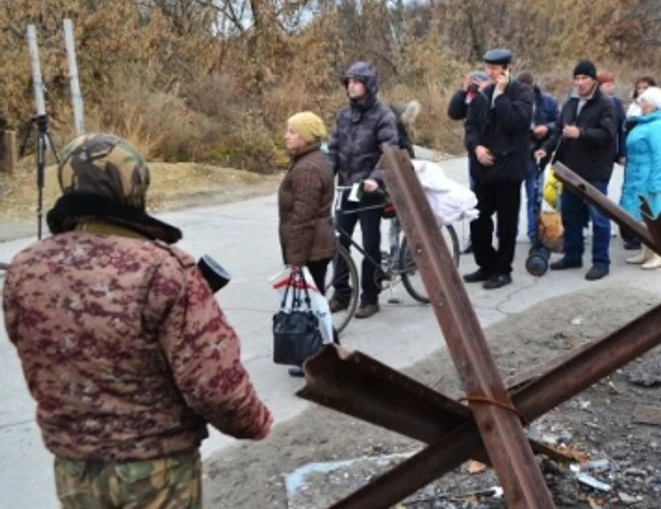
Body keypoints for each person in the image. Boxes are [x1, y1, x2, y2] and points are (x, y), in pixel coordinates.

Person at [3, 133, 273, 509]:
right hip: (155, 471)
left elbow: (32, 352)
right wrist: (254, 422)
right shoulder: (162, 269)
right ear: (135, 184)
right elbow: (213, 380)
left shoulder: (24, 269)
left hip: (75, 470)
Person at [328, 61, 400, 318]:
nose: (351, 86)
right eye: (348, 81)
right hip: (347, 186)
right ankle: (341, 293)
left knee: (370, 241)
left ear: (368, 85)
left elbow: (389, 152)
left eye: (356, 81)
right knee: (339, 240)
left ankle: (370, 296)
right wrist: (327, 173)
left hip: (368, 189)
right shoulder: (343, 116)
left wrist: (376, 179)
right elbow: (334, 148)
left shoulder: (383, 116)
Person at [536, 60, 618, 281]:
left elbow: (607, 135)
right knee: (570, 213)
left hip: (595, 170)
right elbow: (559, 132)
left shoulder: (606, 104)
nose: (580, 83)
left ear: (594, 80)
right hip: (570, 169)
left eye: (585, 78)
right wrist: (545, 149)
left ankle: (601, 262)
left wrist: (581, 133)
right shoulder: (571, 103)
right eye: (577, 78)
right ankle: (573, 255)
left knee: (599, 217)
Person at [462, 48, 534, 290]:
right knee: (477, 218)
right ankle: (487, 264)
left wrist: (501, 96)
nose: (490, 73)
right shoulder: (482, 95)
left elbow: (517, 122)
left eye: (494, 69)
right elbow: (470, 126)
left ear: (506, 69)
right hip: (484, 170)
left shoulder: (522, 92)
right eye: (488, 68)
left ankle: (503, 270)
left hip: (509, 169)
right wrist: (476, 148)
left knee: (506, 223)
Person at [279, 111, 337, 377]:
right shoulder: (312, 160)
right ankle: (325, 355)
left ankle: (325, 358)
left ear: (305, 136)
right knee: (316, 304)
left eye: (292, 131)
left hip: (311, 246)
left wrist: (295, 259)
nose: (286, 136)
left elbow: (303, 218)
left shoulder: (307, 169)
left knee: (313, 305)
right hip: (315, 244)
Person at [620, 87, 661, 270]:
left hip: (651, 175)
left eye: (645, 102)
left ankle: (660, 254)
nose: (641, 105)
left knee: (655, 216)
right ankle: (646, 251)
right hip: (638, 174)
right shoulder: (646, 123)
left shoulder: (659, 126)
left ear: (655, 104)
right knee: (642, 216)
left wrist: (656, 182)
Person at [449, 70, 489, 254]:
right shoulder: (469, 96)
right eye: (472, 82)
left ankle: (490, 238)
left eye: (477, 82)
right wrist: (463, 91)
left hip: (492, 153)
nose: (475, 85)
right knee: (475, 200)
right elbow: (454, 113)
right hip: (474, 154)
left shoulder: (491, 95)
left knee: (491, 201)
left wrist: (486, 92)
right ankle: (476, 238)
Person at [517, 71, 559, 243]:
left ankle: (534, 232)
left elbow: (559, 122)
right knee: (510, 199)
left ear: (533, 85)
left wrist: (546, 128)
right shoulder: (512, 101)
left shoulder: (547, 101)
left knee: (535, 196)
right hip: (516, 156)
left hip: (536, 155)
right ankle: (507, 233)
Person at [620, 75, 657, 250]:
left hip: (646, 162)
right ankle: (631, 233)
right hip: (633, 160)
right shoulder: (633, 107)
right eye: (639, 87)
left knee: (643, 199)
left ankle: (644, 238)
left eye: (646, 88)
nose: (641, 91)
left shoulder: (656, 112)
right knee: (629, 196)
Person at [597, 71, 627, 165]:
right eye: (607, 85)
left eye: (611, 85)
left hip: (610, 148)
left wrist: (622, 153)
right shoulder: (592, 101)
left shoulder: (616, 102)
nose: (610, 88)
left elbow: (622, 127)